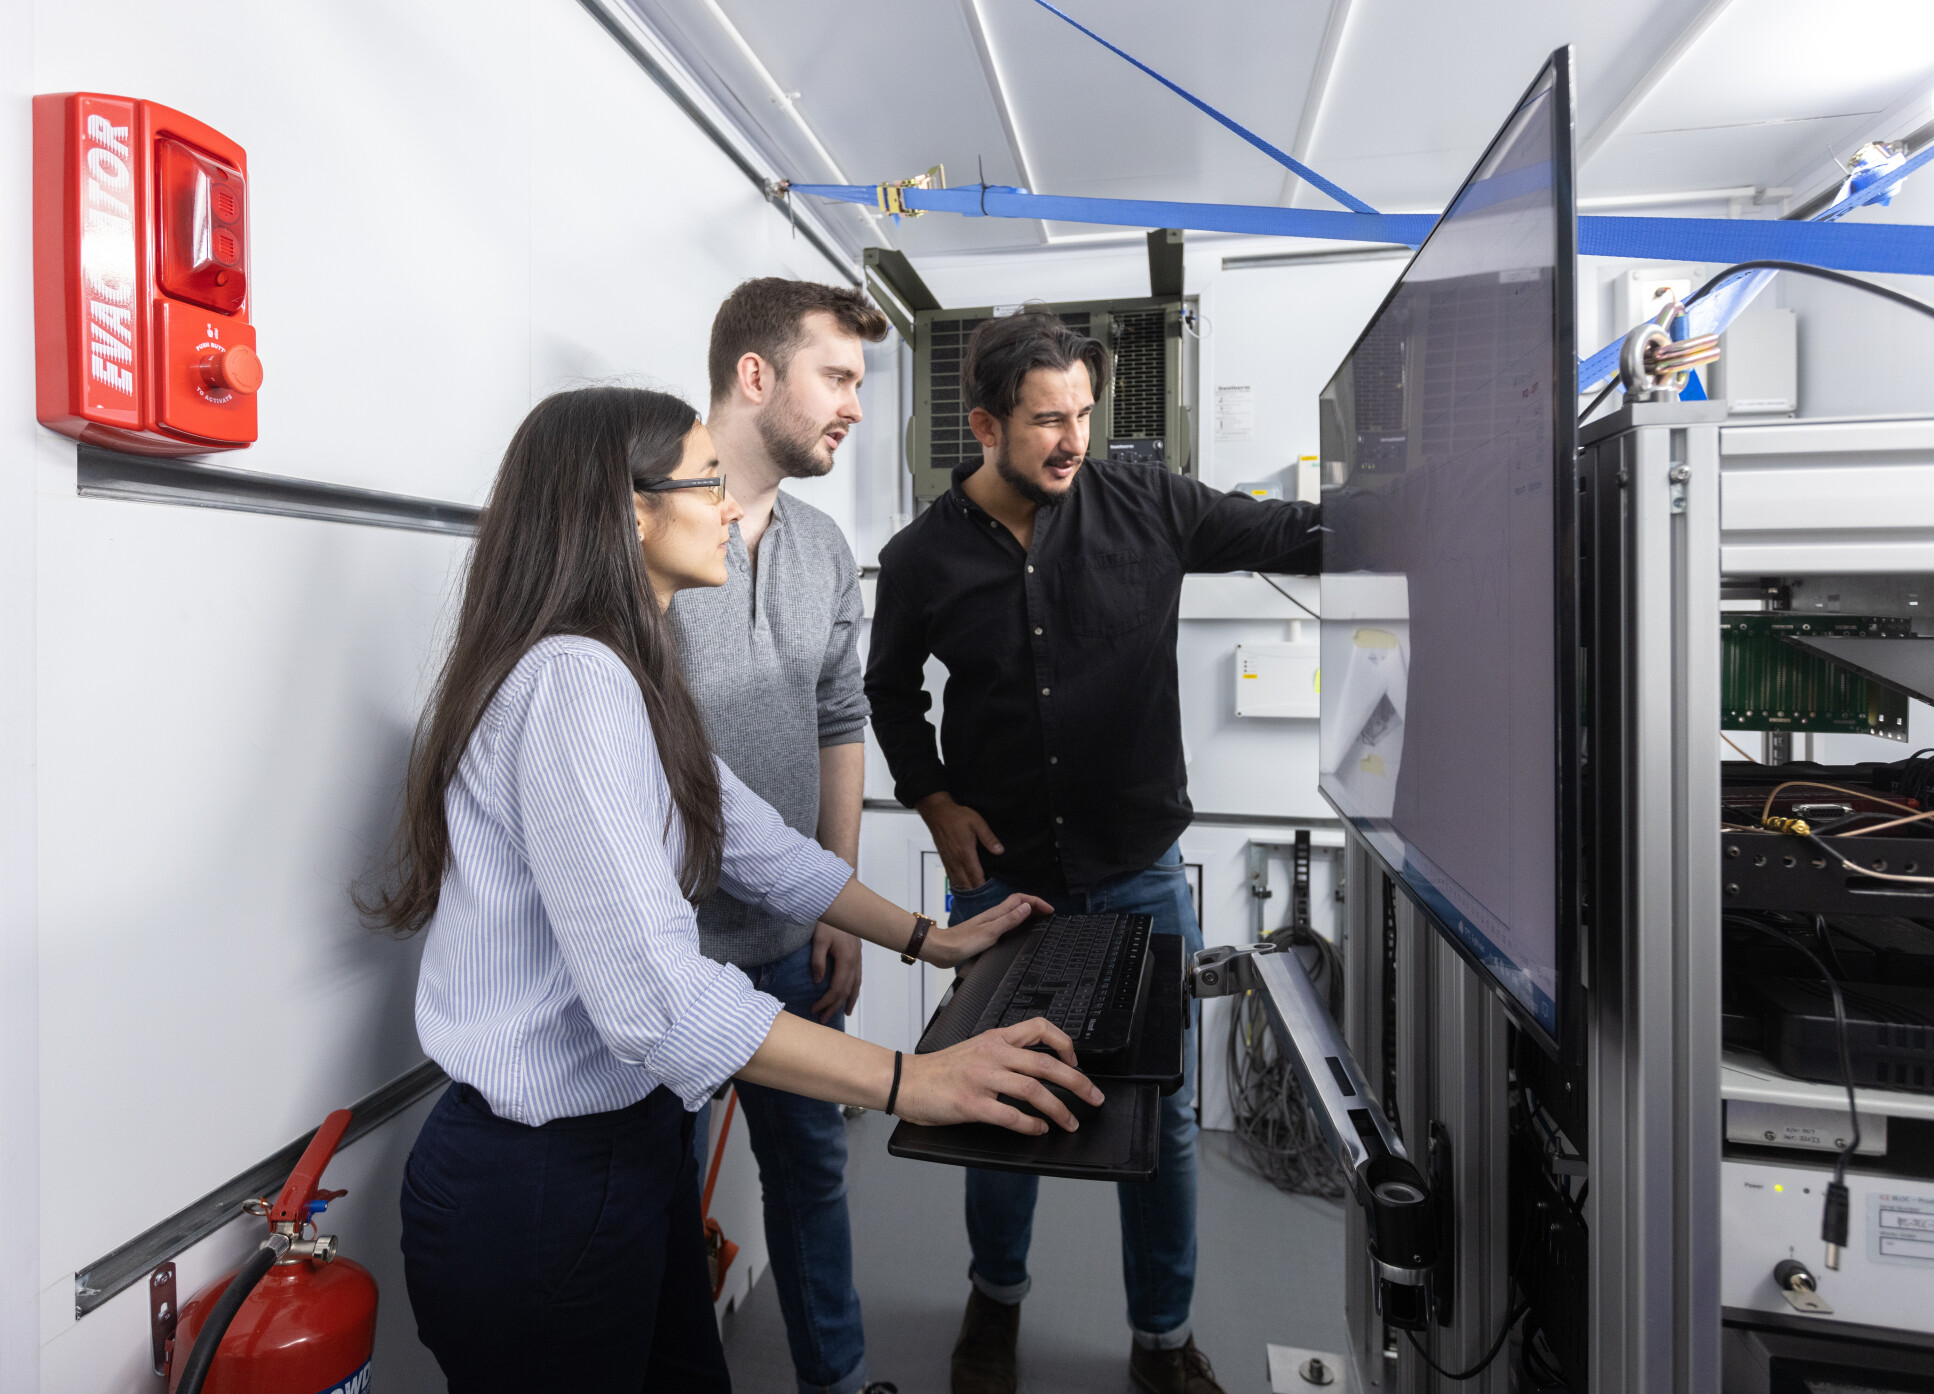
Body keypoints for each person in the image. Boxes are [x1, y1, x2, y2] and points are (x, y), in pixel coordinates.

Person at [373, 385, 1103, 1393]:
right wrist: (912, 1079)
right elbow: (658, 999)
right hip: (538, 1186)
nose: (727, 506)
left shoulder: (627, 674)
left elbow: (757, 844)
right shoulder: (574, 683)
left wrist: (925, 938)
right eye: (705, 480)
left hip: (627, 1150)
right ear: (628, 509)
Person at [865, 310, 1321, 1394]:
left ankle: (1162, 1338)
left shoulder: (1147, 502)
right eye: (1043, 421)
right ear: (981, 424)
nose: (1069, 438)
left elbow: (1288, 534)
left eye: (1080, 413)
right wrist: (928, 795)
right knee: (989, 1096)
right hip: (1001, 873)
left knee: (1156, 1109)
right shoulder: (919, 557)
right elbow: (887, 691)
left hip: (1138, 865)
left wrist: (1430, 498)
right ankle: (994, 1302)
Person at [667, 278, 884, 1394]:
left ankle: (833, 1383)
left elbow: (837, 720)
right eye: (836, 376)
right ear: (755, 376)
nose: (853, 403)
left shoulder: (821, 543)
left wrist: (835, 898)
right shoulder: (643, 522)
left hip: (793, 946)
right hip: (662, 962)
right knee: (654, 1217)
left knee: (812, 1186)